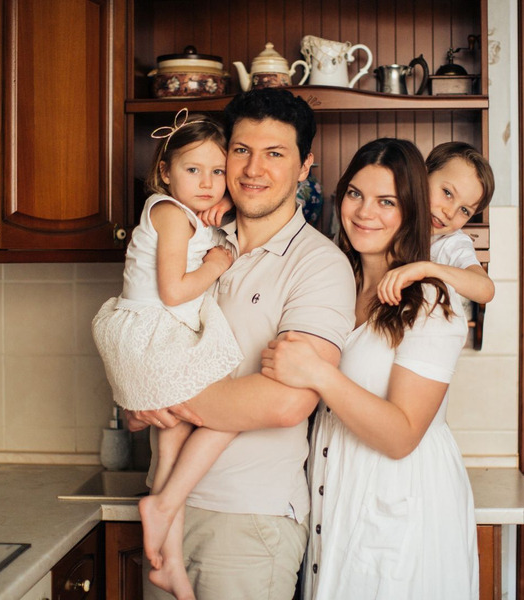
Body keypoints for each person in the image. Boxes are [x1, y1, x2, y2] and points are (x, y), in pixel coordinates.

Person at [126, 88, 357, 600]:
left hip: (248, 522)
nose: (254, 169)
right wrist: (134, 401)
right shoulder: (191, 236)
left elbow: (286, 402)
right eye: (240, 150)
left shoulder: (319, 265)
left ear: (304, 167)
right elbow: (143, 342)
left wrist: (159, 393)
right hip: (166, 503)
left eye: (275, 153)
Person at [261, 138, 479, 599]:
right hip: (331, 493)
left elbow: (402, 436)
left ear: (412, 210)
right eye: (356, 194)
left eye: (387, 201)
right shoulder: (336, 279)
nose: (364, 212)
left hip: (400, 501)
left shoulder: (433, 302)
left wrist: (318, 373)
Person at [92, 110, 244, 599]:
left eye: (217, 171)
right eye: (192, 170)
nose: (207, 182)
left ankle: (169, 560)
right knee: (233, 410)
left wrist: (223, 221)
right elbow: (176, 291)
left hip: (146, 337)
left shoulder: (183, 214)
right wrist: (219, 261)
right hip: (153, 335)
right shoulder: (171, 214)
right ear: (165, 173)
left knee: (171, 446)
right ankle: (163, 521)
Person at [377, 141, 495, 307]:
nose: (450, 212)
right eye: (447, 193)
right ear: (424, 175)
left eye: (465, 210)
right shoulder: (391, 214)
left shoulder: (451, 242)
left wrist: (426, 269)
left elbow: (486, 289)